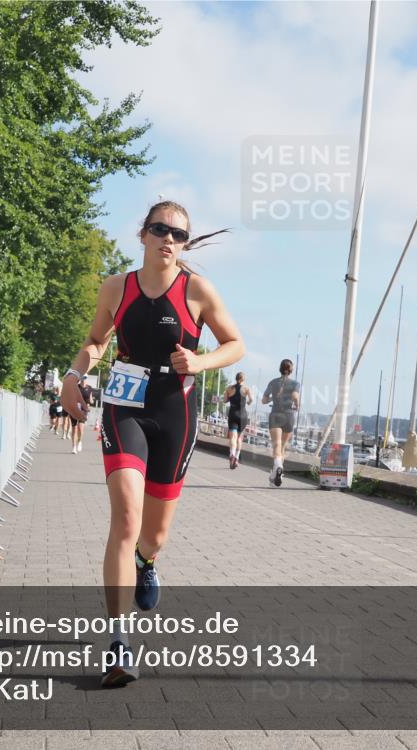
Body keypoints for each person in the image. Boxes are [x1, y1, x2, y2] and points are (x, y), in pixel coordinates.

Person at [60, 200, 244, 687]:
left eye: (179, 234)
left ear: (185, 244)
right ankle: (119, 643)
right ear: (142, 234)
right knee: (125, 518)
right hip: (126, 406)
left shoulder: (197, 290)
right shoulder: (116, 287)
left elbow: (235, 344)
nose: (169, 239)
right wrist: (74, 374)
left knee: (154, 534)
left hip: (173, 412)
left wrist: (200, 363)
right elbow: (96, 340)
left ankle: (147, 562)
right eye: (161, 229)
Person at [261, 359, 300, 487]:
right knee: (283, 447)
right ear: (291, 370)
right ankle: (276, 474)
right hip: (289, 416)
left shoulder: (273, 383)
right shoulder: (295, 383)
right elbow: (295, 396)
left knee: (276, 446)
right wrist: (297, 405)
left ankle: (277, 468)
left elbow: (264, 400)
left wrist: (274, 396)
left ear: (280, 368)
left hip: (275, 416)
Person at [223, 372, 252, 469]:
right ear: (243, 379)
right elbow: (250, 400)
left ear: (236, 378)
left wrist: (230, 398)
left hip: (233, 414)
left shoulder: (229, 388)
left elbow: (225, 400)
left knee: (233, 437)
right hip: (243, 415)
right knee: (239, 438)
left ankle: (232, 454)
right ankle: (237, 457)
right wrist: (247, 401)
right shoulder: (246, 389)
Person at [69, 376, 93, 454]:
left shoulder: (89, 388)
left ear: (87, 379)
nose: (83, 379)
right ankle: (73, 447)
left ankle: (79, 441)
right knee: (74, 428)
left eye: (85, 378)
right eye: (82, 378)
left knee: (80, 428)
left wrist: (91, 402)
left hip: (83, 410)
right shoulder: (76, 387)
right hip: (75, 409)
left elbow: (90, 399)